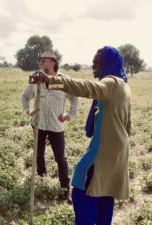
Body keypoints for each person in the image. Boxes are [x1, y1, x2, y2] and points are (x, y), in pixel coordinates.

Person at [32, 46, 131, 225]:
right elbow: (128, 125)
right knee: (105, 194)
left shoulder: (111, 83)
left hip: (103, 150)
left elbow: (86, 87)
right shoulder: (124, 86)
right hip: (118, 154)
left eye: (97, 63)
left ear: (107, 63)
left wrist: (51, 80)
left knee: (80, 188)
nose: (93, 67)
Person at [21, 52, 79, 197]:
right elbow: (25, 96)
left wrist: (69, 115)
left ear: (53, 62)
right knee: (38, 154)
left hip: (56, 125)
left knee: (61, 157)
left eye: (44, 61)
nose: (41, 63)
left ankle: (65, 187)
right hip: (38, 123)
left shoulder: (63, 80)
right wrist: (28, 110)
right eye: (40, 61)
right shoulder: (35, 78)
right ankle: (41, 177)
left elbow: (74, 98)